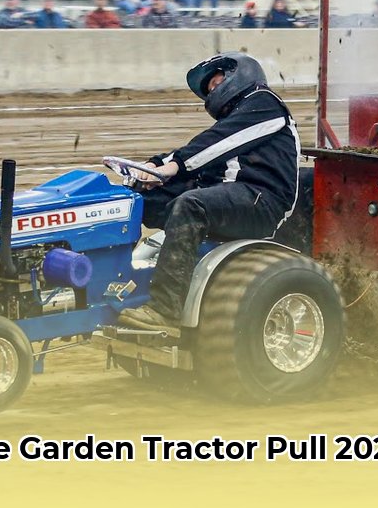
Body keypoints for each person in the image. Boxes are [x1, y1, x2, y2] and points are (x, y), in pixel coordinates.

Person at [118, 52, 301, 331]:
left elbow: (215, 144)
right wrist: (154, 169)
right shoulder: (236, 117)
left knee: (191, 205)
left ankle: (165, 309)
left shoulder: (265, 104)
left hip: (262, 200)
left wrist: (173, 165)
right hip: (232, 192)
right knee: (140, 200)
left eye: (216, 83)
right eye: (209, 90)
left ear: (238, 75)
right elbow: (209, 152)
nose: (212, 91)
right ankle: (112, 281)